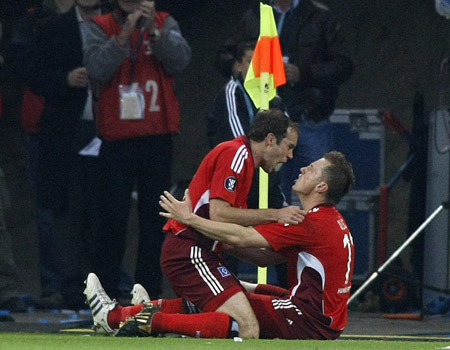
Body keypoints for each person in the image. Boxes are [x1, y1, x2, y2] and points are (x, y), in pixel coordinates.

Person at [83, 150, 355, 339]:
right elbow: (264, 258)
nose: (302, 166)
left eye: (313, 169)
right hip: (319, 316)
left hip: (306, 320)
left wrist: (190, 219)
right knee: (232, 291)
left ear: (321, 188)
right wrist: (216, 244)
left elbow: (241, 237)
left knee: (230, 310)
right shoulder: (329, 220)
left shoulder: (311, 222)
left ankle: (132, 318)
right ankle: (145, 309)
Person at [83, 0, 191, 301]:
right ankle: (104, 291)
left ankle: (149, 293)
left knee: (154, 218)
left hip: (156, 136)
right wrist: (124, 34)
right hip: (116, 137)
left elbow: (181, 60)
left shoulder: (164, 21)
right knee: (111, 217)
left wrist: (154, 32)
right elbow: (96, 68)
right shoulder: (100, 26)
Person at [217, 0, 354, 206]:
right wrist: (246, 68)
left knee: (319, 190)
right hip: (266, 121)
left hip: (310, 116)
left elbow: (344, 65)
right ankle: (274, 235)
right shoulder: (255, 15)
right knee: (269, 190)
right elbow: (224, 55)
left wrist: (304, 73)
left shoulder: (320, 16)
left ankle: (317, 236)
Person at [21, 0, 112, 309]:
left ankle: (109, 283)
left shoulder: (117, 25)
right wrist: (64, 79)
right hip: (67, 132)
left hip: (114, 131)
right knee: (68, 211)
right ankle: (73, 288)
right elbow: (32, 74)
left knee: (106, 211)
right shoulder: (53, 28)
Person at [207, 40, 288, 286]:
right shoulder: (231, 93)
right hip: (237, 179)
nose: (258, 68)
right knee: (225, 239)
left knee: (287, 231)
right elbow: (241, 142)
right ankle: (223, 299)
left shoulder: (274, 97)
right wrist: (266, 157)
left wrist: (273, 163)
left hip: (267, 178)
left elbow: (287, 138)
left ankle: (293, 299)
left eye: (263, 63)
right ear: (238, 66)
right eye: (252, 62)